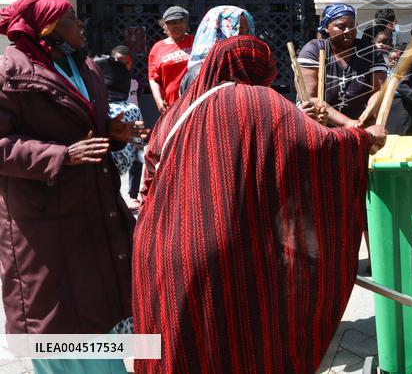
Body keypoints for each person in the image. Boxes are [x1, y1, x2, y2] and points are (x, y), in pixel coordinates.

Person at [133, 36, 387, 373]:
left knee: (182, 346)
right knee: (240, 345)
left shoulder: (179, 109)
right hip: (222, 252)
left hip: (160, 246)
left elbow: (150, 172)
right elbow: (317, 146)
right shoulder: (261, 101)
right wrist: (364, 138)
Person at [0, 0, 143, 374]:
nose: (81, 25)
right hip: (44, 224)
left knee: (96, 323)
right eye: (71, 19)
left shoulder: (85, 66)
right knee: (59, 326)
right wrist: (60, 156)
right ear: (47, 29)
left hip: (93, 213)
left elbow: (85, 128)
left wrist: (112, 133)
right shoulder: (10, 73)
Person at [299, 3, 388, 127]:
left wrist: (368, 113)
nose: (348, 31)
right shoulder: (314, 50)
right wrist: (347, 123)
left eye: (352, 26)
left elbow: (379, 91)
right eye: (341, 26)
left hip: (359, 126)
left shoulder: (369, 51)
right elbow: (310, 97)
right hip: (320, 126)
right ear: (326, 27)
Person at [95, 54, 146, 211]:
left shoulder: (100, 109)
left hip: (106, 161)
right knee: (137, 159)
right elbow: (139, 140)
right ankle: (132, 196)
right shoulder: (133, 109)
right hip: (129, 157)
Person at [179, 5, 254, 95]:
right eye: (238, 32)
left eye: (247, 32)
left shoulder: (250, 65)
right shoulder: (200, 73)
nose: (244, 38)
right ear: (219, 32)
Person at [111, 45, 143, 206]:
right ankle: (113, 195)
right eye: (118, 62)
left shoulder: (135, 81)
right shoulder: (104, 81)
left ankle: (132, 195)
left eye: (127, 62)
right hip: (115, 124)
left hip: (134, 121)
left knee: (137, 158)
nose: (123, 66)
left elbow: (138, 97)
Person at [147, 5, 193, 113]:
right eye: (171, 22)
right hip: (171, 106)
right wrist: (158, 100)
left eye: (180, 21)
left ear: (186, 23)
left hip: (195, 102)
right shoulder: (157, 48)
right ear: (165, 26)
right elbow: (153, 78)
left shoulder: (196, 42)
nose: (176, 25)